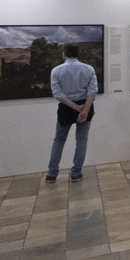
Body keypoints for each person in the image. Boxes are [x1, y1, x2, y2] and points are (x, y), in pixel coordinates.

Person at [47, 43, 97, 183]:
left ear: (64, 54)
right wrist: (85, 110)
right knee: (81, 140)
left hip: (67, 107)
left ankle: (52, 174)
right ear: (78, 53)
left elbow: (58, 95)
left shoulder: (56, 70)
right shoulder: (88, 69)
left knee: (59, 140)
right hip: (85, 106)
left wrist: (76, 108)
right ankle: (76, 173)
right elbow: (92, 92)